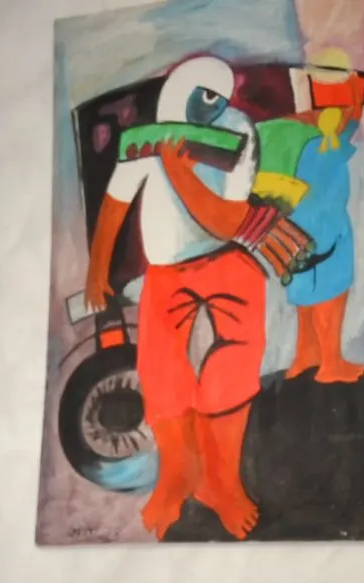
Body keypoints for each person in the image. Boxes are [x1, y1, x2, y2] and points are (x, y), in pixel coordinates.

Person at [82, 56, 274, 540]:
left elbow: (227, 222)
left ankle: (223, 483)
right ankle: (176, 477)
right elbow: (117, 200)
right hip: (166, 271)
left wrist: (179, 168)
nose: (209, 105)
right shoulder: (149, 135)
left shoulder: (238, 133)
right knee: (162, 374)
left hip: (228, 257)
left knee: (231, 368)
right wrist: (97, 268)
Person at [281, 49, 364, 384]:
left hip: (294, 225)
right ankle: (331, 361)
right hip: (328, 226)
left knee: (304, 286)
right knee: (332, 288)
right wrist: (358, 87)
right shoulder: (335, 132)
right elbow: (354, 116)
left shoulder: (291, 131)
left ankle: (306, 354)